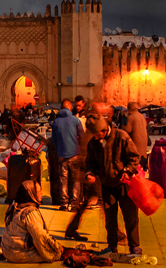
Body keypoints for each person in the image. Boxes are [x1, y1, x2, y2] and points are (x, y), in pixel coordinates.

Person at [85, 113, 141, 255]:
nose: (96, 137)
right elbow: (90, 162)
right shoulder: (94, 143)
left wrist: (127, 171)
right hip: (107, 185)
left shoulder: (121, 136)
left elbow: (134, 157)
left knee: (130, 217)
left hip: (125, 184)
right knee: (110, 219)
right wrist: (90, 173)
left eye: (97, 135)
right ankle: (112, 246)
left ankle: (134, 246)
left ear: (104, 130)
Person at [1, 180, 63, 263]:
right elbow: (39, 236)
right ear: (30, 193)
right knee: (57, 254)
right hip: (18, 254)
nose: (41, 193)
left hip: (7, 251)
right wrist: (56, 249)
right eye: (38, 191)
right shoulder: (30, 212)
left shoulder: (14, 206)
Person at [51, 99, 84, 212]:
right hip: (75, 154)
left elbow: (54, 140)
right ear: (70, 108)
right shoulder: (76, 120)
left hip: (61, 154)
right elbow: (81, 136)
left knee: (63, 179)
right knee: (76, 179)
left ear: (61, 108)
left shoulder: (55, 122)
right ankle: (74, 203)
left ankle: (64, 203)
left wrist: (59, 148)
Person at [124, 102, 148, 169]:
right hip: (144, 141)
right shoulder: (142, 116)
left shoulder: (131, 117)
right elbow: (146, 126)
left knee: (136, 157)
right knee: (142, 155)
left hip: (136, 141)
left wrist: (123, 127)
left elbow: (128, 130)